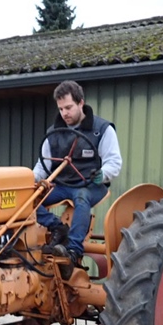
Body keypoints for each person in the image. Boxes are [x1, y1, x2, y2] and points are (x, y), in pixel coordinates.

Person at [32, 80, 122, 274]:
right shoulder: (53, 133)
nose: (64, 113)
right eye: (61, 109)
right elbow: (43, 165)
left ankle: (73, 251)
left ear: (81, 103)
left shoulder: (102, 129)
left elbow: (114, 162)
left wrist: (102, 174)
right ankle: (58, 228)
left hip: (91, 185)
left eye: (68, 107)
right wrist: (32, 180)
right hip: (62, 184)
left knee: (82, 197)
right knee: (28, 200)